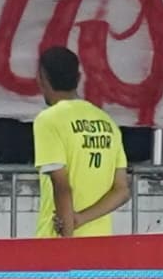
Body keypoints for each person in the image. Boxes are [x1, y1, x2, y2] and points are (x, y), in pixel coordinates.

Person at [32, 42, 133, 237]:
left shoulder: (48, 120)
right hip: (99, 241)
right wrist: (82, 218)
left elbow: (61, 185)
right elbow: (121, 191)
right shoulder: (106, 122)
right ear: (78, 78)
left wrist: (68, 237)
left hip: (58, 240)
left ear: (41, 79)